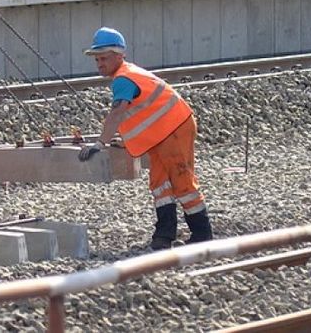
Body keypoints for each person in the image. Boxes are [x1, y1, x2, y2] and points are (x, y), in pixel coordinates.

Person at [79, 27, 213, 250]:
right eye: (97, 59)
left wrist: (100, 143)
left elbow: (117, 113)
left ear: (119, 56)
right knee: (159, 184)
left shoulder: (124, 79)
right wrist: (125, 141)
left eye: (103, 58)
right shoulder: (128, 74)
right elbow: (140, 114)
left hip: (174, 128)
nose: (99, 64)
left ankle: (202, 233)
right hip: (163, 132)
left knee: (182, 180)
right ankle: (164, 235)